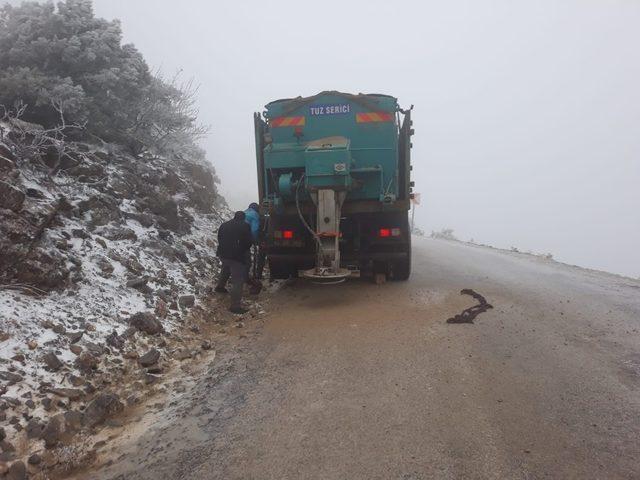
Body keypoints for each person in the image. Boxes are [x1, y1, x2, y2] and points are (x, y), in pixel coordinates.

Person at [215, 211, 253, 314]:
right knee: (238, 280)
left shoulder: (224, 225)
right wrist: (242, 251)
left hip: (223, 254)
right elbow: (248, 242)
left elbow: (219, 238)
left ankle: (220, 287)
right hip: (236, 256)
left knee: (226, 268)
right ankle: (235, 306)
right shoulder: (245, 226)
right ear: (243, 218)